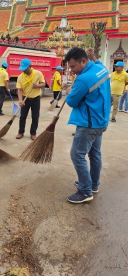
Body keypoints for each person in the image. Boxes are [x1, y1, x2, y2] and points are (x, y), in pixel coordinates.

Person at [64, 47, 111, 203]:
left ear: (83, 61)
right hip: (101, 121)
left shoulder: (83, 79)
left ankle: (85, 191)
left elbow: (71, 101)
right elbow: (99, 65)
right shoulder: (100, 68)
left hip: (89, 125)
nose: (72, 71)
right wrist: (94, 57)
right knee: (95, 154)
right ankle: (93, 184)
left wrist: (70, 90)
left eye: (73, 67)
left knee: (76, 154)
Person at [16, 58, 45, 140]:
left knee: (35, 117)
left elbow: (43, 83)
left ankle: (33, 133)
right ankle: (20, 132)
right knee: (22, 117)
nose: (23, 70)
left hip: (36, 99)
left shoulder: (38, 74)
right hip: (26, 99)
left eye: (25, 69)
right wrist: (21, 100)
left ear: (30, 66)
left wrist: (37, 86)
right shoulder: (20, 77)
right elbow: (20, 89)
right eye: (22, 69)